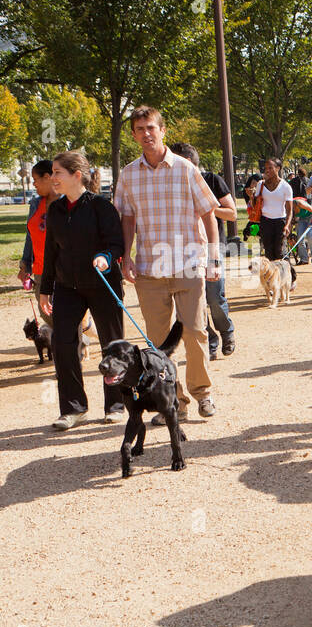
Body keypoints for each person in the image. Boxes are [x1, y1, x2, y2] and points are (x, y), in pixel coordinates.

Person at [115, 105, 221, 420]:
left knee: (195, 332)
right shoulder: (129, 174)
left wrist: (214, 258)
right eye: (139, 129)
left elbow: (208, 213)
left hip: (189, 264)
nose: (146, 134)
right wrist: (127, 258)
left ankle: (203, 394)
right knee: (159, 344)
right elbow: (127, 219)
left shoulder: (186, 169)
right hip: (149, 270)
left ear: (163, 131)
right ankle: (176, 402)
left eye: (151, 128)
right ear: (133, 135)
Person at [39, 151, 127, 430]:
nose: (52, 177)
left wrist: (106, 257)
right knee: (62, 343)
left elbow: (117, 244)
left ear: (76, 175)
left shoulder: (102, 207)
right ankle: (74, 409)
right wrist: (45, 289)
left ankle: (116, 404)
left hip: (103, 284)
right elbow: (51, 251)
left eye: (57, 172)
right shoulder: (54, 209)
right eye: (52, 173)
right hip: (67, 287)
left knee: (111, 345)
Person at [170, 143, 237, 361]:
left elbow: (232, 214)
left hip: (210, 248)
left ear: (188, 161)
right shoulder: (171, 184)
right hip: (184, 251)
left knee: (214, 298)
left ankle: (226, 331)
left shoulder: (212, 180)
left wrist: (206, 207)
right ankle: (210, 342)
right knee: (194, 302)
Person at [18, 159, 54, 294]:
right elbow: (30, 237)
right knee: (46, 314)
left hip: (63, 273)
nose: (34, 184)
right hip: (40, 271)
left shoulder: (67, 203)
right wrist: (25, 265)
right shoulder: (35, 204)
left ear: (47, 177)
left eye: (35, 179)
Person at [253, 157, 293, 262]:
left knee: (279, 252)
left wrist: (287, 225)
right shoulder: (260, 185)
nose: (267, 170)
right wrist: (251, 197)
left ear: (278, 168)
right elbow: (255, 204)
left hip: (280, 221)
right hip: (265, 221)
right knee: (268, 252)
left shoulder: (286, 187)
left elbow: (289, 210)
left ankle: (288, 274)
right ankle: (272, 276)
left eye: (270, 168)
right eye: (266, 168)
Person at [288, 164, 312, 267]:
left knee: (309, 236)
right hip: (301, 219)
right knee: (300, 238)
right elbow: (291, 221)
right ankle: (304, 259)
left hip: (310, 217)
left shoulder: (299, 203)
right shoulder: (289, 208)